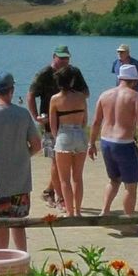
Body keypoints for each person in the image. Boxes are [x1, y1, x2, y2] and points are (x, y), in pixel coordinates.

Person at [0, 72, 42, 252]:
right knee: (19, 227)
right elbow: (36, 145)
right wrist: (23, 155)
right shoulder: (23, 114)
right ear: (12, 90)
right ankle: (23, 264)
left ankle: (0, 264)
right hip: (21, 183)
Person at [88, 64, 138, 218]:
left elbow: (96, 122)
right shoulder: (136, 97)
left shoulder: (104, 95)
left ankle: (104, 212)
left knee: (113, 180)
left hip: (106, 142)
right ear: (135, 81)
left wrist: (91, 144)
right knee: (130, 187)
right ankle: (128, 224)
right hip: (124, 144)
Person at [28, 45, 88, 211]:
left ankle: (50, 192)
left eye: (66, 58)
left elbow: (86, 93)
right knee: (56, 161)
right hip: (49, 123)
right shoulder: (44, 74)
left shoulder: (74, 73)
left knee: (62, 164)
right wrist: (36, 117)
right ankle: (60, 198)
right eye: (61, 58)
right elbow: (31, 95)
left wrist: (70, 94)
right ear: (54, 56)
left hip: (71, 124)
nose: (64, 61)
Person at [48, 65, 89, 217]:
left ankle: (70, 212)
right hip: (79, 134)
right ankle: (78, 211)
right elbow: (85, 120)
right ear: (71, 80)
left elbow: (53, 125)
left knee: (64, 179)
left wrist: (57, 138)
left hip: (64, 135)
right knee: (77, 177)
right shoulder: (81, 97)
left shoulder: (55, 99)